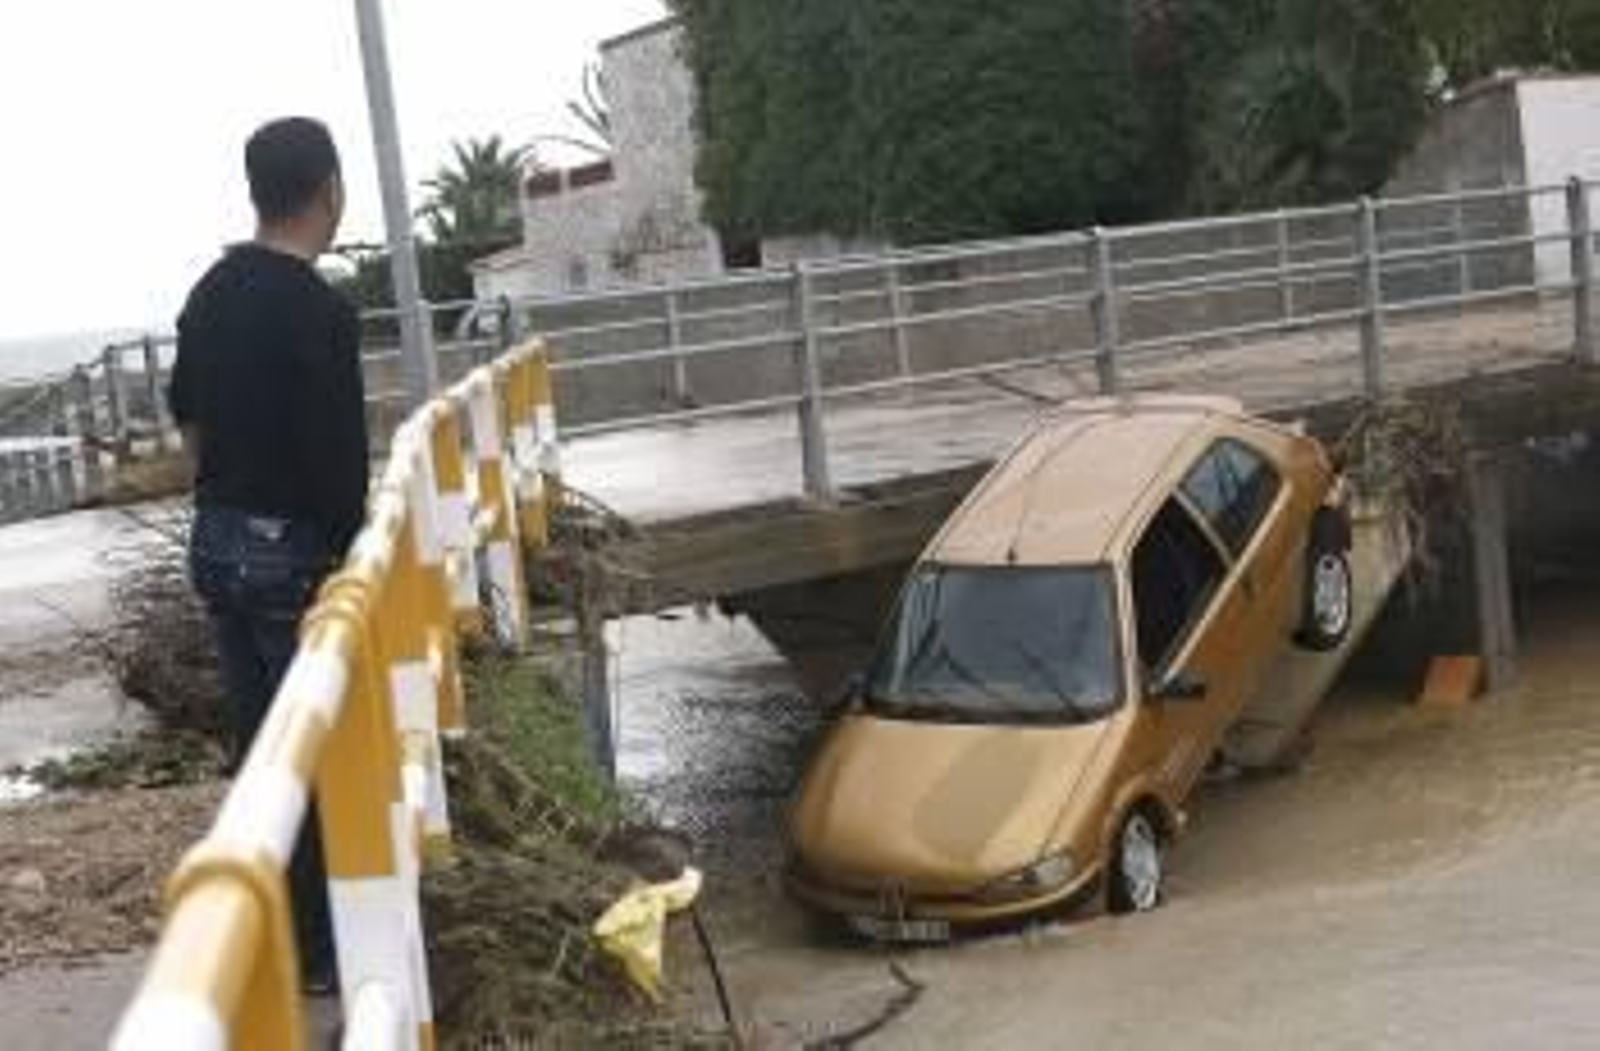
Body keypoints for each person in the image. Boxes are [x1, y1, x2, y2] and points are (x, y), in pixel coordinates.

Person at [168, 117, 369, 996]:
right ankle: (319, 959)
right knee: (316, 760)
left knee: (262, 754)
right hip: (292, 555)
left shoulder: (209, 293)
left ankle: (275, 929)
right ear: (330, 187)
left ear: (258, 192)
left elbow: (190, 421)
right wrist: (351, 549)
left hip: (217, 544)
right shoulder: (320, 309)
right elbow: (338, 463)